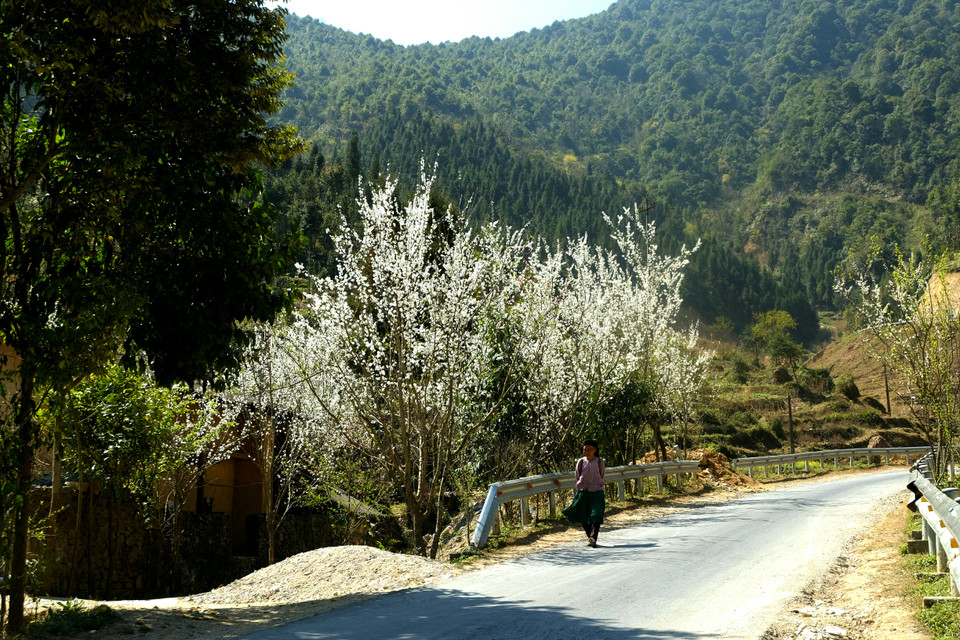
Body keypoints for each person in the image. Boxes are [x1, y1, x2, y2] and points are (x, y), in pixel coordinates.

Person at [562, 438, 606, 547]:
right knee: (583, 516)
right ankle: (590, 538)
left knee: (596, 515)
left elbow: (602, 474)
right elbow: (577, 476)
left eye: (589, 449)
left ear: (595, 449)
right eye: (584, 450)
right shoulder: (581, 462)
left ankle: (593, 537)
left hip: (597, 492)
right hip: (583, 493)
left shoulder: (599, 462)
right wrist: (581, 485)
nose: (587, 452)